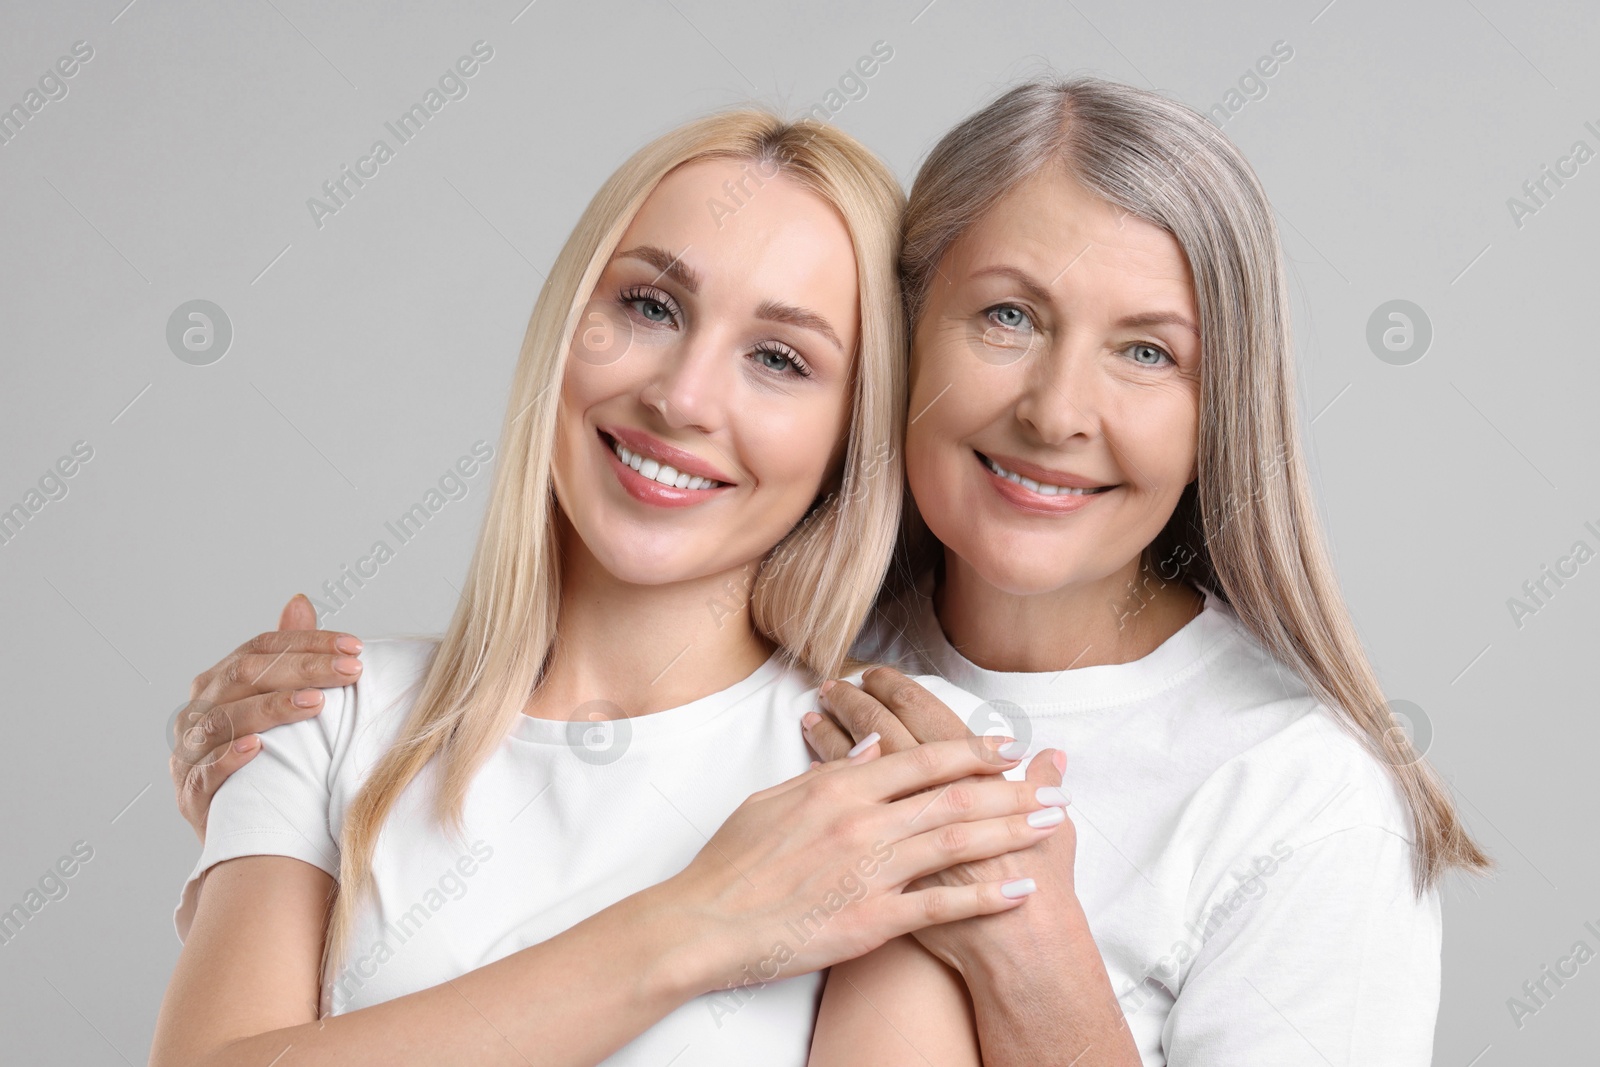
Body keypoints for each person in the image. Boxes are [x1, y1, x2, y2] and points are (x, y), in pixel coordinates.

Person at [169, 78, 1491, 1065]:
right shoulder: (854, 701)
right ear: (913, 362)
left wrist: (1038, 960)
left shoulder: (1233, 790)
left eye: (1150, 350)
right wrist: (697, 916)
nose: (1055, 409)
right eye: (1008, 315)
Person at [153, 108, 1073, 1067]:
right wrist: (692, 925)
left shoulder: (893, 766)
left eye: (779, 358)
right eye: (651, 307)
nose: (681, 397)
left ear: (853, 431)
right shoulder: (325, 714)